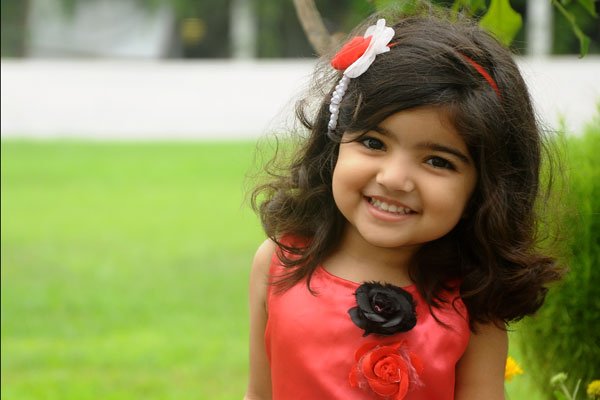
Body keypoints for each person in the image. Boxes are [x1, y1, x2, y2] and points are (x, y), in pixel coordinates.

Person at [245, 8, 562, 400]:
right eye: (373, 142)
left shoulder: (474, 299)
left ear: (485, 188)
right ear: (335, 141)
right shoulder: (279, 263)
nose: (394, 179)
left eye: (437, 162)